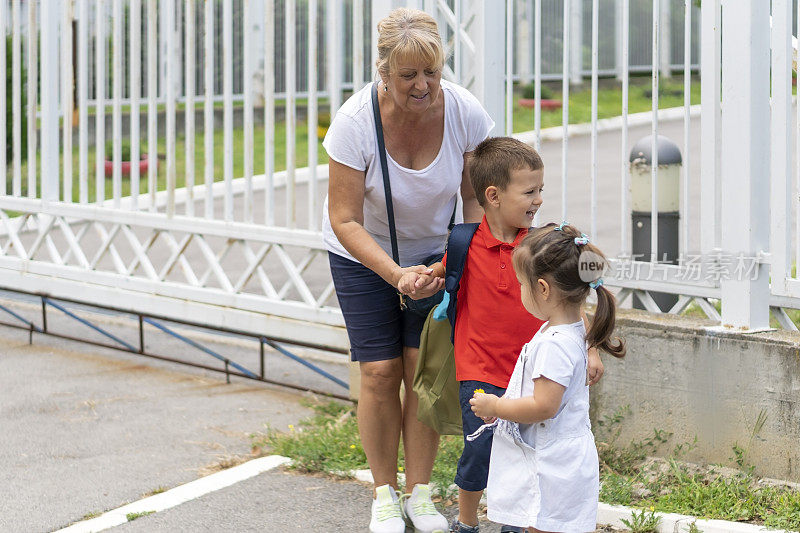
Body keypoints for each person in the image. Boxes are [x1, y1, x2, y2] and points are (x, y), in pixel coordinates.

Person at [322, 7, 494, 533]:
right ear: (384, 73)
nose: (423, 86)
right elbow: (344, 218)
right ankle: (384, 494)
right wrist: (395, 274)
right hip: (363, 254)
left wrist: (461, 262)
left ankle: (420, 494)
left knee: (423, 373)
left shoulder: (464, 112)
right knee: (379, 372)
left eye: (432, 73)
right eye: (408, 75)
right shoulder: (355, 123)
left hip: (436, 259)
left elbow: (475, 198)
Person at [399, 138, 604, 533]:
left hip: (531, 374)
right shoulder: (463, 241)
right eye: (530, 191)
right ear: (493, 195)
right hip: (478, 366)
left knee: (524, 450)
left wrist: (591, 347)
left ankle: (519, 517)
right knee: (479, 449)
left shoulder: (541, 244)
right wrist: (425, 278)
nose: (539, 200)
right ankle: (467, 521)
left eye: (540, 189)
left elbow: (582, 293)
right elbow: (443, 271)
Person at [469, 222, 626, 532]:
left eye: (522, 286)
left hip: (551, 465)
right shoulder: (574, 330)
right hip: (564, 458)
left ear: (543, 288)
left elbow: (544, 406)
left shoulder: (554, 344)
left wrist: (496, 407)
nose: (521, 293)